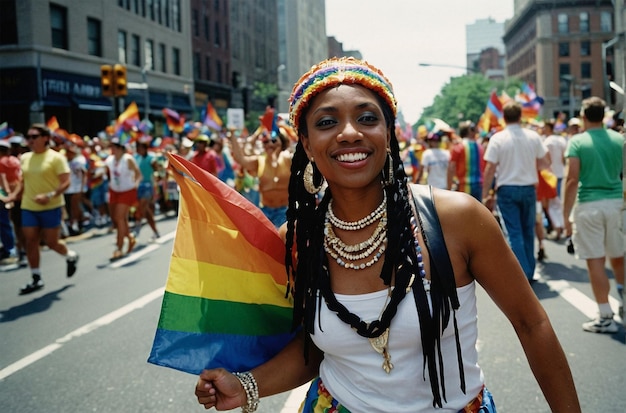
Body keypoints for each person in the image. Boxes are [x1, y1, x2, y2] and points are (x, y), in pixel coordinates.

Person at [194, 57, 580, 412]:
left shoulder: (456, 219)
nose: (349, 133)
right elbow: (316, 349)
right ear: (308, 144)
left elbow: (533, 324)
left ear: (389, 131)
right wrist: (246, 384)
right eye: (327, 122)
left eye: (366, 118)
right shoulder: (299, 239)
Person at [562, 96, 625, 333]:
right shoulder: (619, 139)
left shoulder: (577, 141)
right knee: (619, 257)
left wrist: (566, 212)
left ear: (584, 116)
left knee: (596, 261)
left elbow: (572, 179)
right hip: (617, 203)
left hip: (589, 205)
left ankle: (605, 314)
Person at [4, 124, 79, 295]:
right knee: (30, 241)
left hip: (51, 206)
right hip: (29, 207)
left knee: (52, 243)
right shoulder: (25, 157)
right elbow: (23, 182)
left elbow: (66, 182)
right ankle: (36, 277)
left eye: (34, 136)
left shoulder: (56, 158)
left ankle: (70, 256)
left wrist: (50, 195)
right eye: (28, 137)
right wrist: (13, 196)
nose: (30, 140)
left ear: (45, 138)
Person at [482, 101, 550, 282]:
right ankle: (529, 270)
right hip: (528, 188)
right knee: (528, 231)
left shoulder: (498, 138)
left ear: (503, 118)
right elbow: (545, 162)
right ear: (521, 116)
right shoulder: (533, 136)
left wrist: (484, 193)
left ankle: (524, 273)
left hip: (507, 188)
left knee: (514, 233)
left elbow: (490, 169)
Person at [228, 127, 292, 228]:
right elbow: (240, 159)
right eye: (266, 142)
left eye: (274, 141)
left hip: (284, 211)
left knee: (282, 241)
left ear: (281, 142)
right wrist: (232, 134)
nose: (270, 144)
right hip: (265, 212)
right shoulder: (259, 161)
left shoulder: (289, 158)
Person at [105, 137, 141, 260]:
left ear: (120, 148)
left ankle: (119, 248)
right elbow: (108, 174)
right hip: (114, 191)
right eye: (111, 147)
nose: (112, 149)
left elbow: (138, 174)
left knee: (119, 217)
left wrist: (135, 185)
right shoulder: (109, 160)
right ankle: (130, 238)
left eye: (114, 147)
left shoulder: (128, 159)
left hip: (127, 191)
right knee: (119, 219)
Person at [447, 120, 484, 200]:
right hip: (478, 186)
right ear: (469, 131)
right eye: (473, 128)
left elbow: (451, 168)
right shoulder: (480, 147)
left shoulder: (458, 147)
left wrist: (449, 188)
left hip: (464, 186)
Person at [133, 139, 160, 242]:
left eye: (140, 148)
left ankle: (137, 227)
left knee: (142, 206)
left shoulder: (151, 157)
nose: (138, 150)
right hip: (138, 186)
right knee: (147, 212)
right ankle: (156, 232)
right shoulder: (136, 158)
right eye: (137, 148)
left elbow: (157, 169)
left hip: (149, 185)